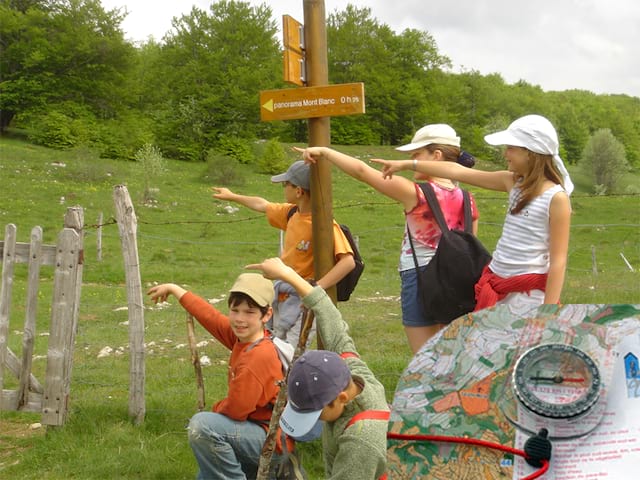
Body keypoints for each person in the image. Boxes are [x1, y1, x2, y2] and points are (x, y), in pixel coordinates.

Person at [295, 124, 480, 354]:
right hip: (458, 283)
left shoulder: (417, 193)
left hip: (421, 276)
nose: (413, 159)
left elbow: (363, 172)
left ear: (436, 156)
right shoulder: (468, 199)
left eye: (417, 154)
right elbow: (470, 245)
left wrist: (326, 152)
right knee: (452, 353)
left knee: (423, 358)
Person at [373, 114, 573, 309]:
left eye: (510, 148)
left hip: (528, 296)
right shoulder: (512, 182)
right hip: (496, 286)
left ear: (531, 152)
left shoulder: (557, 198)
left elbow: (558, 261)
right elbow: (456, 171)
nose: (505, 154)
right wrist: (407, 164)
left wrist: (548, 313)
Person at [246, 257, 389, 480]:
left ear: (341, 397)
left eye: (315, 413)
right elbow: (328, 315)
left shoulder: (360, 443)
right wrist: (286, 273)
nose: (316, 419)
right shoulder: (352, 371)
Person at [147, 273, 293, 479]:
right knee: (209, 471)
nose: (240, 319)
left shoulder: (258, 356)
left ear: (267, 315)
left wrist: (217, 408)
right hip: (258, 432)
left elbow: (236, 410)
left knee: (203, 427)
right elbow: (211, 317)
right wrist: (174, 288)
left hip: (270, 441)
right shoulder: (247, 337)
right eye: (235, 310)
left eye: (249, 312)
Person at [212, 161, 355, 348]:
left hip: (302, 296)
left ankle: (286, 376)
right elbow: (262, 205)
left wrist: (314, 292)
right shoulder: (291, 213)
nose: (283, 188)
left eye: (285, 184)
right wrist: (233, 196)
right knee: (271, 342)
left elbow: (348, 262)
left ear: (298, 191)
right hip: (281, 293)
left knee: (291, 350)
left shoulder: (323, 225)